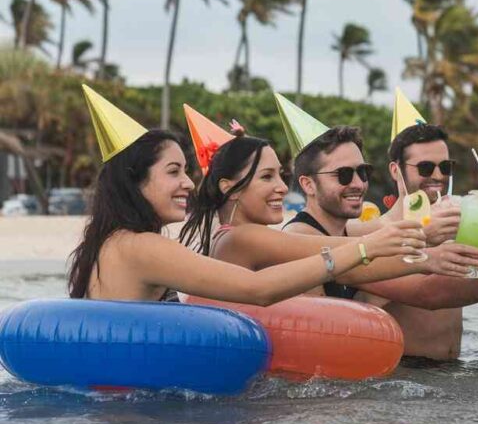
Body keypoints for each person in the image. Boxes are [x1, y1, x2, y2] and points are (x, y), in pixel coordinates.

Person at [69, 87, 422, 305]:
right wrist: (364, 251)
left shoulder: (111, 242)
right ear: (136, 181)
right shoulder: (143, 246)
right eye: (173, 172)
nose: (190, 184)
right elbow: (257, 288)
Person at [280, 123, 478, 360]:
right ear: (308, 185)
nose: (359, 183)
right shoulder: (302, 237)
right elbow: (426, 292)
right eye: (344, 175)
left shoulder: (356, 231)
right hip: (348, 390)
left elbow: (391, 237)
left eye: (363, 172)